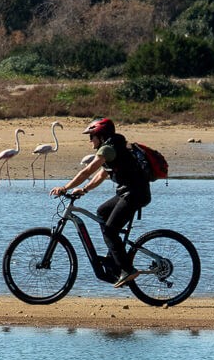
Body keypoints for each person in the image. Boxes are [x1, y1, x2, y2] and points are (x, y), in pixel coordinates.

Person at [50, 117, 151, 288]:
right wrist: (85, 189)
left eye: (92, 136)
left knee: (110, 231)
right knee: (102, 212)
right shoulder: (113, 148)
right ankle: (114, 259)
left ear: (101, 136)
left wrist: (65, 187)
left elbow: (87, 171)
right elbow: (101, 175)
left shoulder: (108, 148)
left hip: (135, 194)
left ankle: (127, 269)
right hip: (128, 192)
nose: (90, 140)